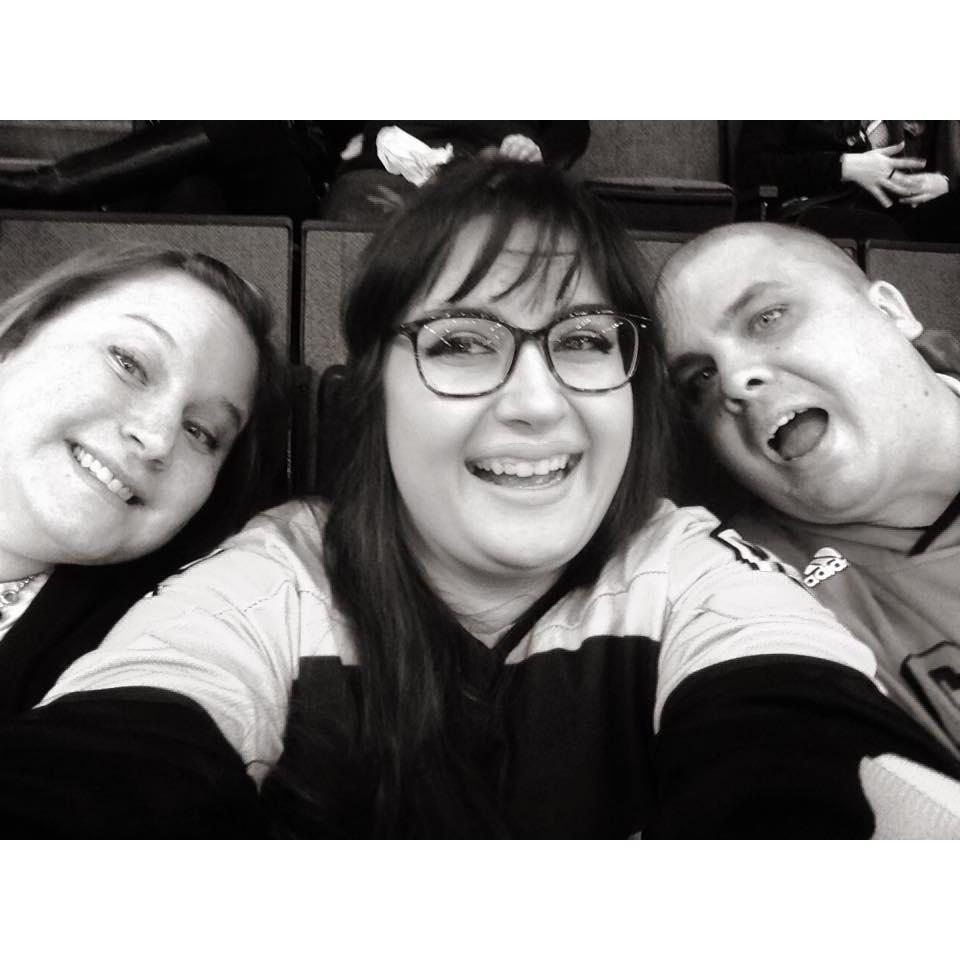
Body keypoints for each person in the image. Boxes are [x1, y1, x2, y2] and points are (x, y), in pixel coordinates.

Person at [8, 160, 960, 839]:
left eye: (584, 340)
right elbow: (124, 754)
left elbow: (828, 759)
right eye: (464, 341)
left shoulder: (689, 568)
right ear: (376, 393)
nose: (539, 403)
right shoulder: (281, 576)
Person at [655, 220, 960, 761]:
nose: (731, 381)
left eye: (767, 318)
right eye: (699, 378)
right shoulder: (753, 587)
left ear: (891, 311)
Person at [0, 245, 288, 719]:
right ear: (17, 337)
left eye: (201, 432)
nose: (158, 438)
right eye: (129, 363)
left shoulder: (150, 652)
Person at [736, 120, 960, 241]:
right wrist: (843, 167)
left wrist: (946, 184)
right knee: (881, 232)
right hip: (817, 207)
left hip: (900, 207)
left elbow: (924, 165)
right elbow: (751, 168)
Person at [322, 121, 590, 222]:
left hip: (498, 161)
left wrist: (536, 151)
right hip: (392, 162)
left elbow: (572, 127)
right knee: (356, 211)